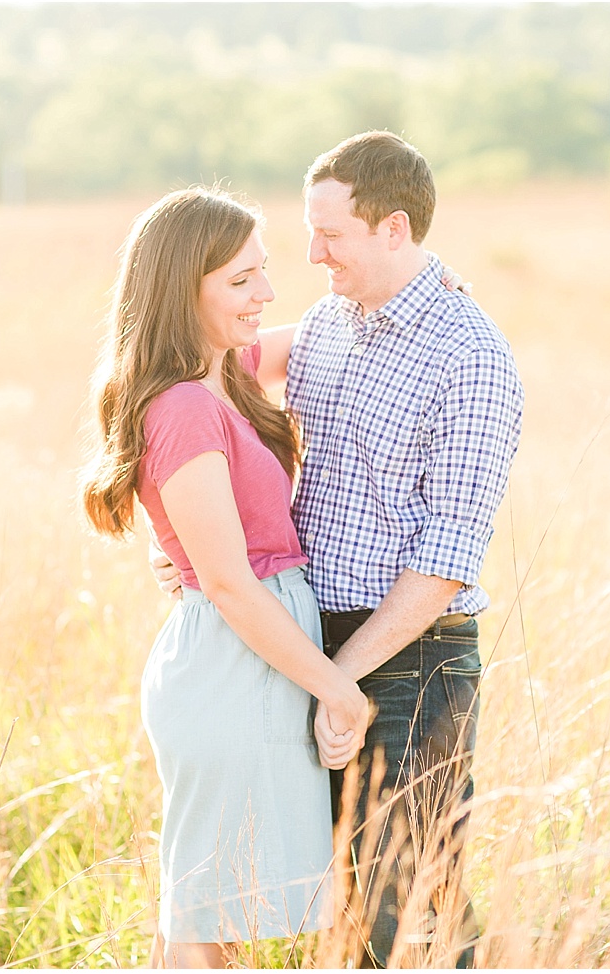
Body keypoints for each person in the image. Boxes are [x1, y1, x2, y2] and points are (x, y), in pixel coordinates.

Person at [155, 131, 524, 968]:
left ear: (394, 230)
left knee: (410, 909)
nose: (312, 254)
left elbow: (445, 563)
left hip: (410, 665)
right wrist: (179, 530)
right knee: (336, 911)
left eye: (333, 235)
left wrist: (341, 678)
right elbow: (197, 384)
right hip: (310, 646)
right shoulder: (330, 319)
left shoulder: (471, 358)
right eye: (310, 230)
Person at [80, 187, 372, 969]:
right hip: (231, 664)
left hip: (256, 657)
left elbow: (320, 334)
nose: (265, 293)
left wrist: (422, 286)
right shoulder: (181, 408)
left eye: (264, 272)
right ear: (187, 288)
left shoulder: (224, 374)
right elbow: (232, 584)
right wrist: (337, 686)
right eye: (242, 280)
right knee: (205, 921)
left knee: (224, 914)